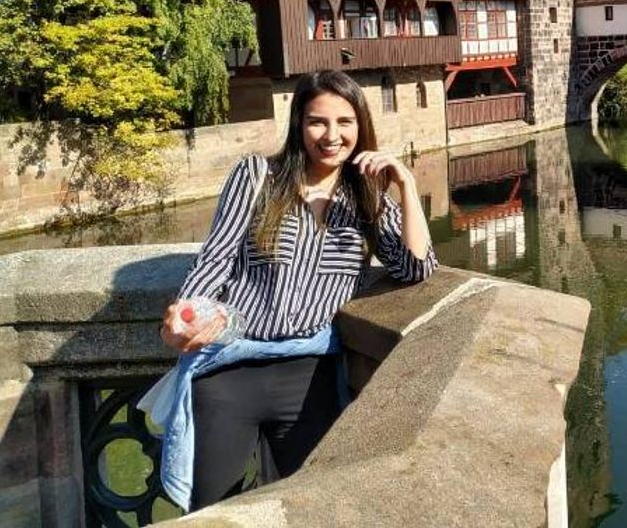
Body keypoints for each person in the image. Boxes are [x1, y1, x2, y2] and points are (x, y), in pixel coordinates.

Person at [156, 69, 436, 510]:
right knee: (211, 510)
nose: (331, 135)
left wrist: (406, 184)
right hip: (231, 374)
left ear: (360, 126)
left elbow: (415, 268)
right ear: (298, 125)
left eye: (344, 122)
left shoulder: (366, 196)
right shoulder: (257, 176)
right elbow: (215, 260)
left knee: (315, 508)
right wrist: (185, 313)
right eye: (317, 122)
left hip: (310, 379)